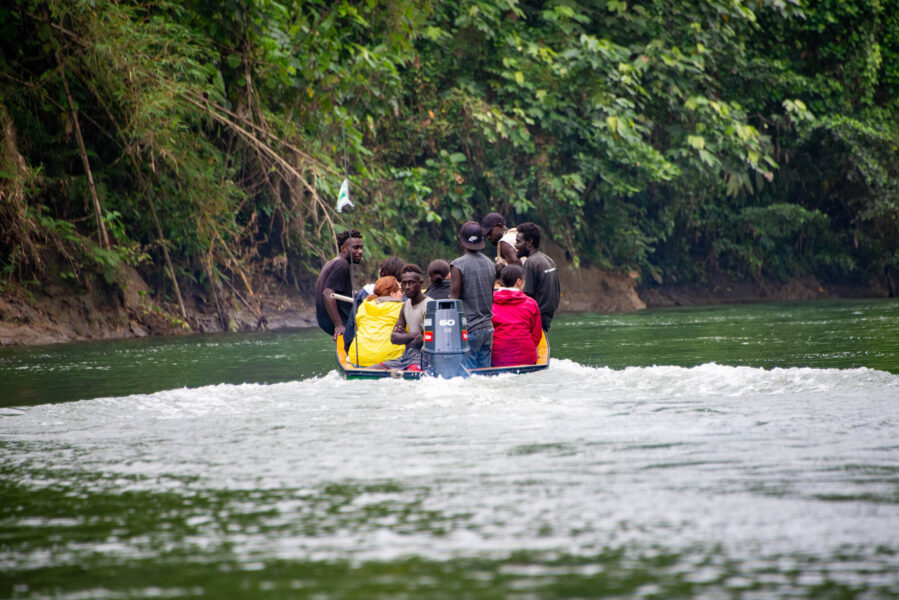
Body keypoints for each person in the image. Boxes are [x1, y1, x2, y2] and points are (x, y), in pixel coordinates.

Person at [450, 221, 495, 369]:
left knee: (469, 378)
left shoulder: (458, 265)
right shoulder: (490, 263)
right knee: (485, 375)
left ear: (460, 239)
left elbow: (454, 301)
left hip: (469, 330)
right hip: (488, 328)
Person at [344, 256, 404, 351]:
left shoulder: (364, 298)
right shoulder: (404, 300)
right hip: (392, 354)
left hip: (361, 352)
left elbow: (351, 330)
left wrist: (348, 349)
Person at [314, 229, 363, 339]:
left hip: (323, 321)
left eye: (361, 248)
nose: (360, 251)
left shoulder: (332, 262)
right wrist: (339, 325)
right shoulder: (342, 264)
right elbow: (328, 293)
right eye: (356, 247)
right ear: (343, 248)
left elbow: (338, 291)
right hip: (335, 322)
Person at [347, 276, 405, 367]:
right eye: (400, 291)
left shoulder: (364, 304)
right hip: (387, 360)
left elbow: (359, 325)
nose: (402, 294)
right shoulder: (402, 307)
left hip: (357, 358)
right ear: (392, 293)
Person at [491, 265, 543, 367]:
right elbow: (537, 336)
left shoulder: (490, 302)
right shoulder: (531, 303)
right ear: (518, 282)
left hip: (498, 358)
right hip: (526, 358)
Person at [384, 264, 431, 370]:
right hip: (404, 357)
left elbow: (421, 340)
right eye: (404, 283)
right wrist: (413, 336)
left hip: (421, 358)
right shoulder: (405, 305)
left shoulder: (429, 305)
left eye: (411, 283)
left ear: (421, 283)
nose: (407, 287)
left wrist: (405, 337)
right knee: (370, 370)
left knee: (409, 377)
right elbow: (394, 338)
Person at [515, 222, 561, 332]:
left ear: (529, 243)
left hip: (535, 321)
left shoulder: (530, 263)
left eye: (518, 242)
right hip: (547, 319)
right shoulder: (548, 260)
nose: (515, 245)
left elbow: (527, 297)